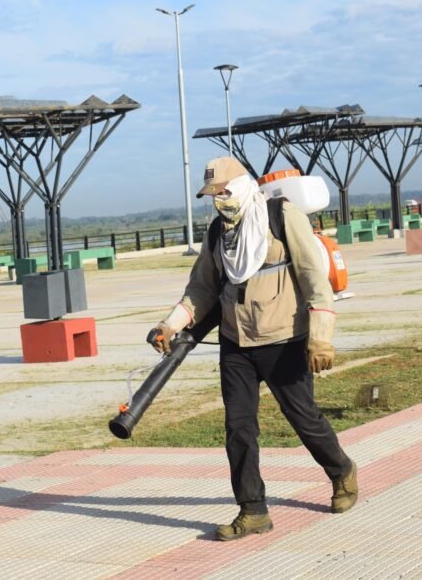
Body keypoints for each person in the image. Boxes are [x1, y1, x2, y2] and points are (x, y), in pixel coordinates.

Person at [148, 156, 358, 541]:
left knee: (304, 418)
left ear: (243, 186)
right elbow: (201, 288)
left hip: (284, 338)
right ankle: (252, 509)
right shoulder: (218, 232)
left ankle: (341, 470)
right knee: (239, 427)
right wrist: (169, 324)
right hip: (235, 342)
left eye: (224, 192)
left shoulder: (281, 216)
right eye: (213, 195)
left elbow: (313, 275)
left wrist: (321, 336)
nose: (219, 201)